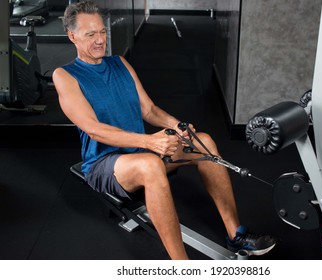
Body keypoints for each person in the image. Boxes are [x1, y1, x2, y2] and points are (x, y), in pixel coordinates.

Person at [53, 1, 276, 260]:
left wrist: (178, 126)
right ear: (72, 36)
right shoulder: (66, 75)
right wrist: (150, 142)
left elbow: (148, 109)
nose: (100, 40)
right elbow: (95, 130)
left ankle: (236, 235)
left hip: (139, 151)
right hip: (104, 163)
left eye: (102, 32)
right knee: (150, 164)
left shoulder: (119, 63)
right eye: (90, 34)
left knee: (203, 141)